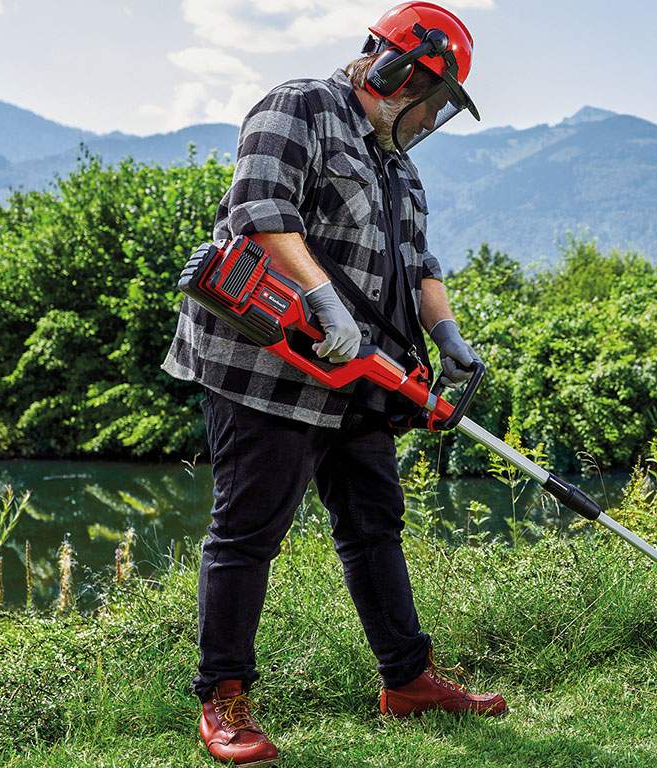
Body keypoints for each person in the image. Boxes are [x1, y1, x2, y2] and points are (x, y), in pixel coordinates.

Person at [161, 3, 505, 765]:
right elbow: (260, 207)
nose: (432, 115)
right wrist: (318, 295)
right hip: (268, 369)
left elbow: (420, 264)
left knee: (375, 522)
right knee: (248, 533)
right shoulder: (299, 107)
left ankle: (408, 679)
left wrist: (445, 333)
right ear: (396, 70)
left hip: (361, 378)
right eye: (435, 96)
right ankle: (223, 702)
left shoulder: (399, 166)